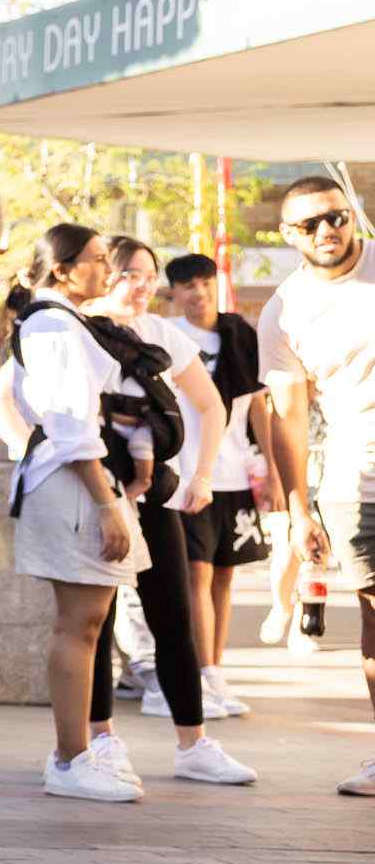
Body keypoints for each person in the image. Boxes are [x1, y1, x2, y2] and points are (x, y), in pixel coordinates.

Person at [81, 238, 254, 784]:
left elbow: (210, 402)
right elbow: (4, 401)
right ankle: (99, 740)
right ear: (102, 275)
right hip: (93, 491)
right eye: (128, 273)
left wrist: (202, 475)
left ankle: (194, 742)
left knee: (174, 613)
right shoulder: (72, 327)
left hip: (155, 493)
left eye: (148, 275)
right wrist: (36, 458)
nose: (141, 285)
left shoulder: (160, 332)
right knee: (96, 622)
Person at [0, 224, 150, 802]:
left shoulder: (59, 322)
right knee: (80, 623)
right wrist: (107, 503)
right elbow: (70, 425)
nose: (106, 270)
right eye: (94, 260)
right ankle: (70, 756)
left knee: (87, 623)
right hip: (71, 483)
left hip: (75, 480)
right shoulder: (56, 326)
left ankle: (77, 751)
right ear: (61, 270)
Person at [255, 175, 375, 796]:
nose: (326, 232)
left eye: (334, 217)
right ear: (288, 235)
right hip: (357, 479)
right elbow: (290, 417)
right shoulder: (285, 311)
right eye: (308, 225)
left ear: (351, 213)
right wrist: (299, 510)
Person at [158, 255, 263, 710]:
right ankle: (203, 673)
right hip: (188, 475)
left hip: (236, 473)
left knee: (224, 577)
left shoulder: (241, 335)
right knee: (195, 575)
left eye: (205, 283)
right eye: (187, 286)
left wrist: (274, 474)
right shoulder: (167, 337)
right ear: (174, 294)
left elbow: (261, 407)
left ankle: (216, 671)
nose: (198, 293)